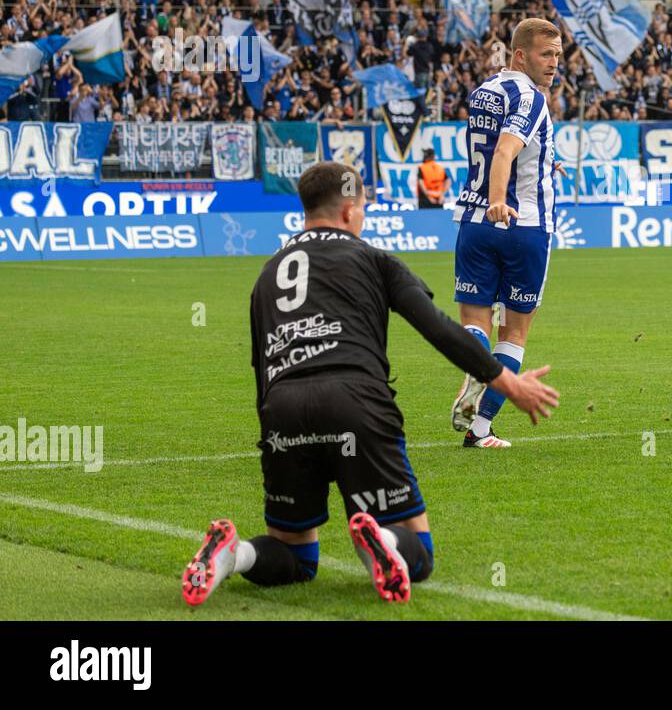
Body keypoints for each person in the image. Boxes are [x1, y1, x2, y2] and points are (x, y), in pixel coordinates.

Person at [181, 162, 559, 606]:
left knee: (294, 554)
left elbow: (260, 365)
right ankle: (382, 541)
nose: (363, 217)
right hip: (356, 403)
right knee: (420, 554)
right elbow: (439, 328)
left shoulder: (268, 272)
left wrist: (275, 433)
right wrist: (508, 385)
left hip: (282, 407)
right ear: (347, 211)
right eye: (362, 208)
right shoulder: (374, 259)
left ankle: (233, 554)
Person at [449, 18, 562, 449]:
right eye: (545, 55)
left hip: (472, 225)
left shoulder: (484, 92)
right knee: (513, 333)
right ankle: (480, 427)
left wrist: (549, 161)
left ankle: (472, 381)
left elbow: (506, 146)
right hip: (522, 224)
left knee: (474, 323)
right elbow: (506, 150)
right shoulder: (532, 97)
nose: (553, 64)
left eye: (557, 55)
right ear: (519, 55)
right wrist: (500, 200)